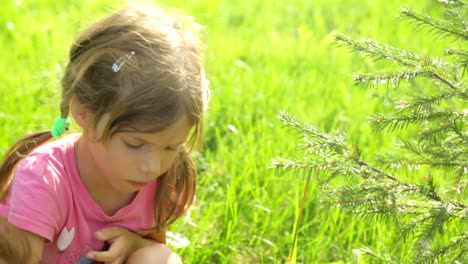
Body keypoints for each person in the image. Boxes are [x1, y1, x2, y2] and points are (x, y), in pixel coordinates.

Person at [0, 3, 209, 263]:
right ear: (84, 113)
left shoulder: (163, 179)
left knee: (160, 258)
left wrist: (134, 244)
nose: (153, 166)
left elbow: (154, 244)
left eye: (171, 147)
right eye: (135, 144)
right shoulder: (44, 180)